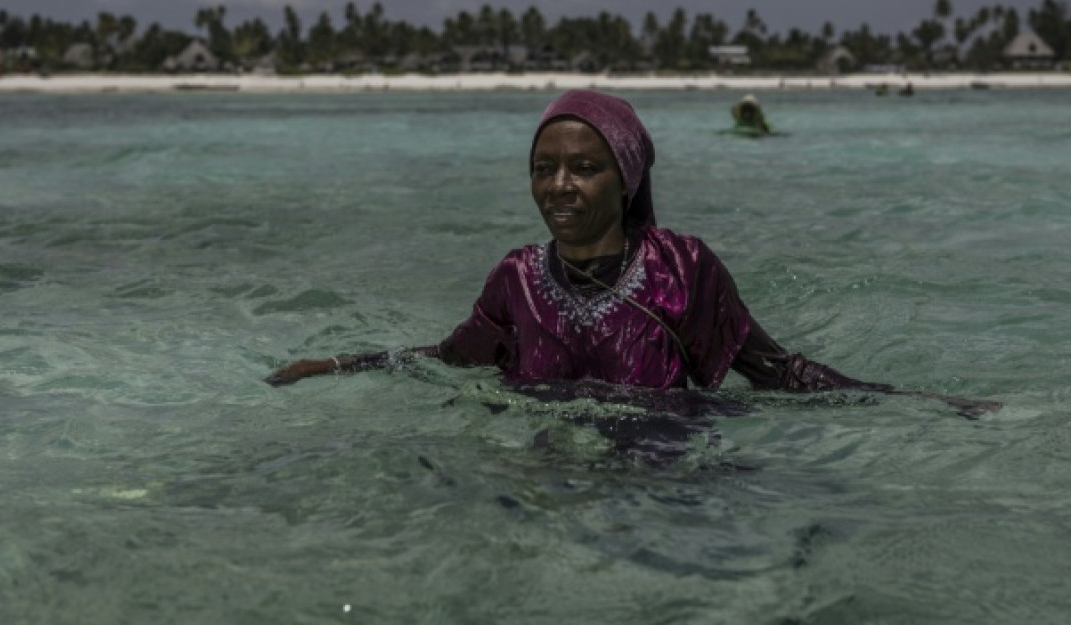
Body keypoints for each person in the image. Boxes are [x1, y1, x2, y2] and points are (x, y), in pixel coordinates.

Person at [267, 90, 997, 418]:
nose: (559, 185)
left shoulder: (684, 270)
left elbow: (777, 372)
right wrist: (336, 366)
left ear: (626, 178)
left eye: (584, 168)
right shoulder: (516, 278)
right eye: (544, 168)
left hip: (668, 482)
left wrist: (913, 404)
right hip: (546, 479)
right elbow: (450, 356)